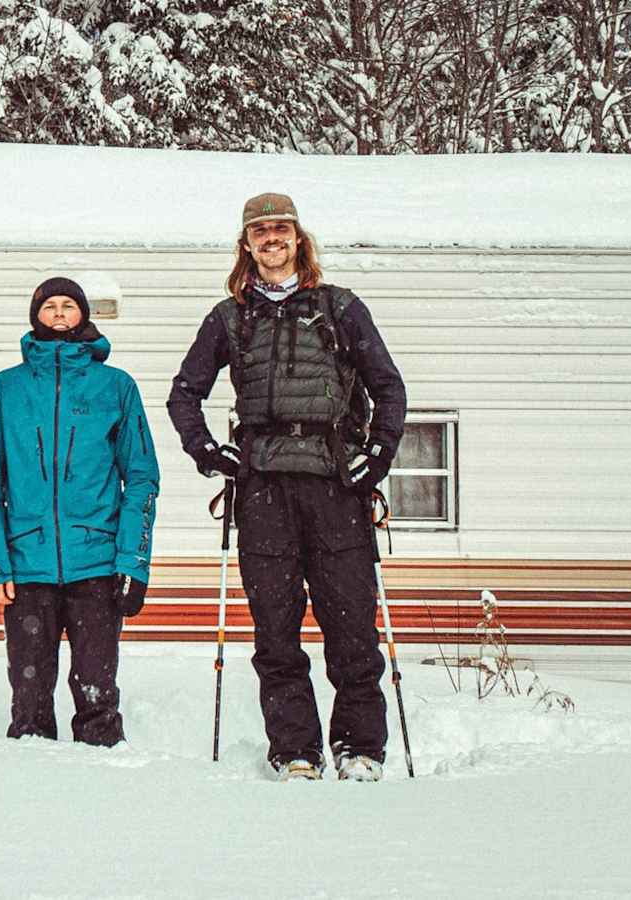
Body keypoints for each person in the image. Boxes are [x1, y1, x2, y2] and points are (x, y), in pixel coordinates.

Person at [166, 193, 407, 782]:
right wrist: (208, 452)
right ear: (245, 244)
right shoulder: (229, 317)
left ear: (298, 238)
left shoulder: (340, 307)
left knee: (350, 627)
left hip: (334, 486)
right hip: (263, 490)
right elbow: (184, 393)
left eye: (281, 229)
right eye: (259, 231)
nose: (271, 239)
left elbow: (389, 388)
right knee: (275, 632)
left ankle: (360, 748)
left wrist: (374, 457)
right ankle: (295, 749)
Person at [0, 277, 160, 746]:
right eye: (49, 306)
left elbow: (140, 478)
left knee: (97, 693)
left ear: (83, 315)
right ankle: (33, 800)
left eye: (68, 306)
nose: (58, 313)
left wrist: (132, 562)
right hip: (26, 564)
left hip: (95, 561)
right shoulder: (5, 389)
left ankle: (101, 792)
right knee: (29, 698)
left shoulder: (115, 386)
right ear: (35, 315)